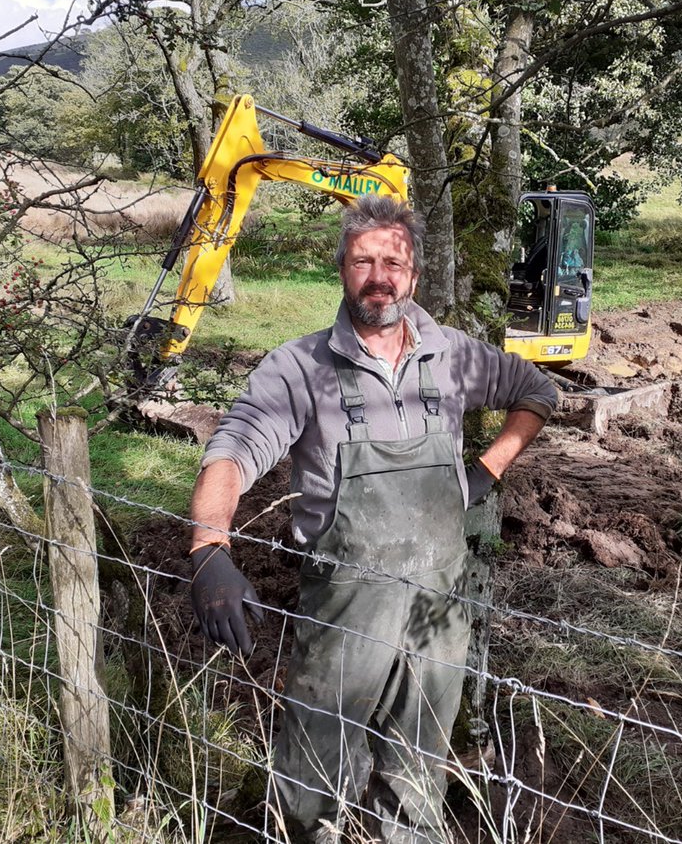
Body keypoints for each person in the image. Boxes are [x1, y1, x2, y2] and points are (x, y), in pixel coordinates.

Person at [187, 195, 558, 844]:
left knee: (417, 786)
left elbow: (537, 391)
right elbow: (233, 450)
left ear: (413, 273)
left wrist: (487, 470)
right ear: (340, 268)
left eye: (394, 261)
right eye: (363, 259)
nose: (379, 275)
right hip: (345, 616)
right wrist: (208, 543)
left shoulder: (451, 355)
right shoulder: (299, 368)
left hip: (437, 613)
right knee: (311, 785)